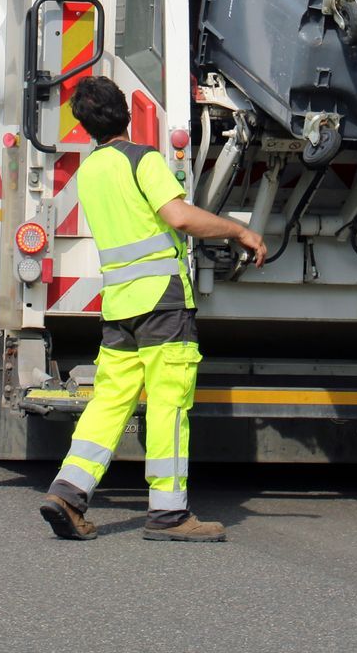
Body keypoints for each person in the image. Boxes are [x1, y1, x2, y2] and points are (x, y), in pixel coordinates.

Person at [39, 75, 267, 543]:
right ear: (126, 113)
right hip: (162, 302)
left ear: (84, 128)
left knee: (109, 401)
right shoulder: (143, 160)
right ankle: (168, 514)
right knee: (169, 403)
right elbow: (179, 217)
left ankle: (67, 492)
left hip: (119, 306)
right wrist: (237, 231)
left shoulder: (92, 172)